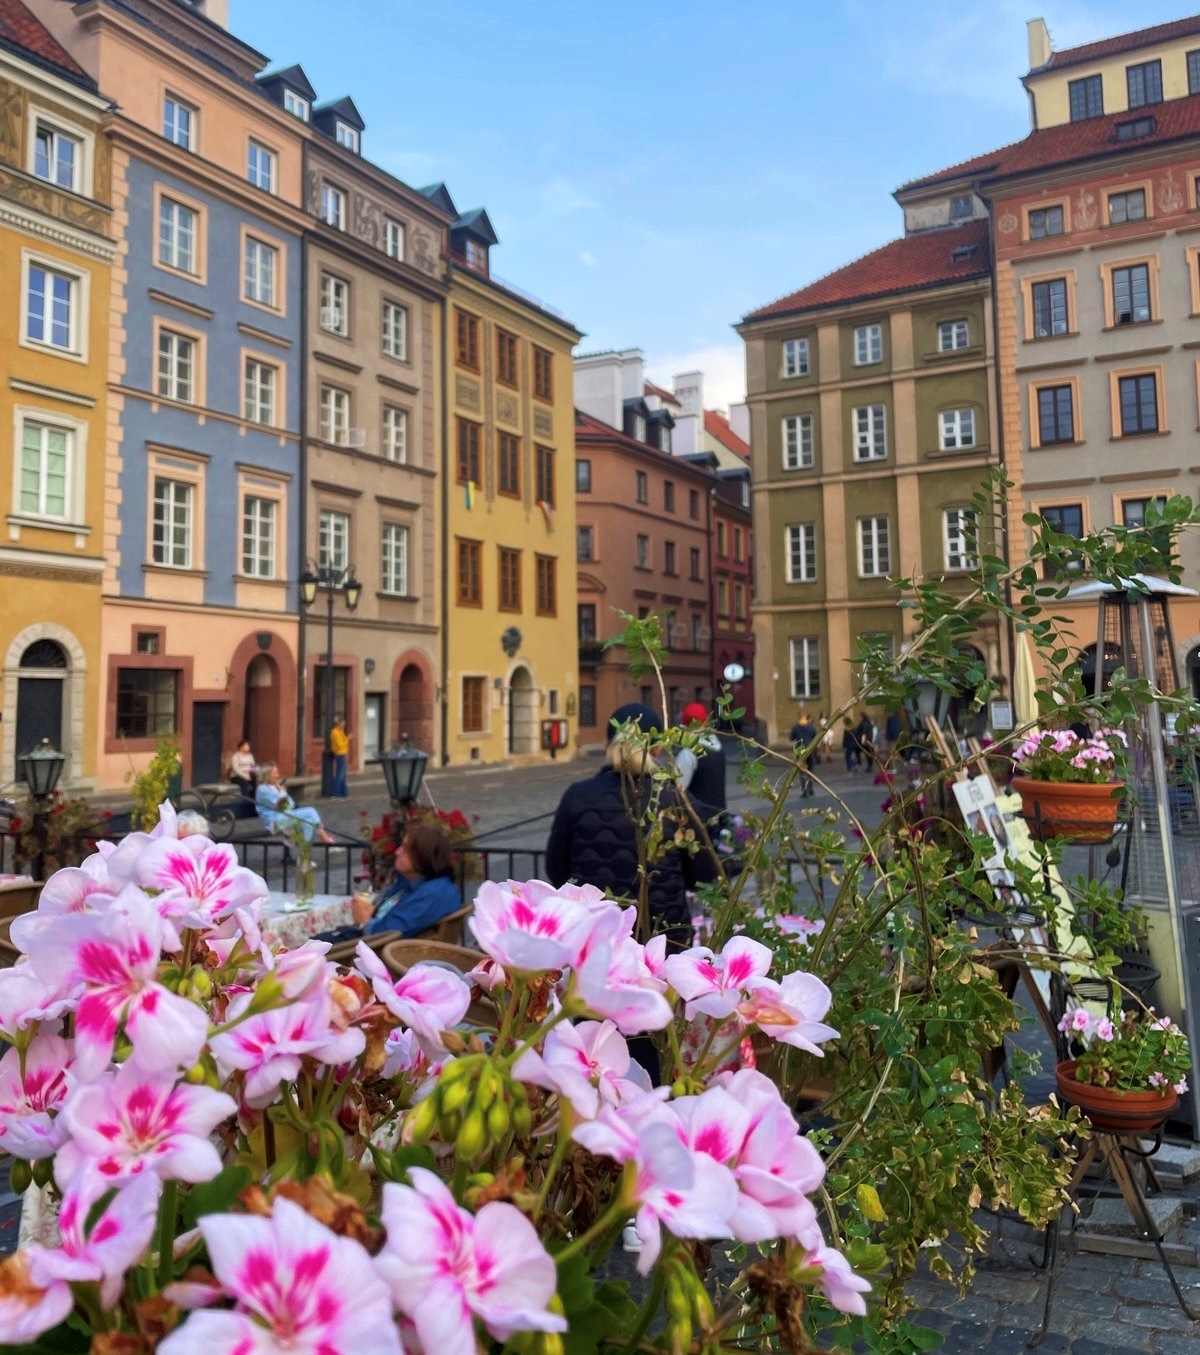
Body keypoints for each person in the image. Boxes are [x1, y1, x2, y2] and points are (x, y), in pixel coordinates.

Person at [347, 821, 460, 938]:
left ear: (424, 856)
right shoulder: (412, 881)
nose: (397, 852)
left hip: (372, 950)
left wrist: (364, 921)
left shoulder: (432, 893)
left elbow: (385, 934)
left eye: (405, 849)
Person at [255, 762, 334, 843]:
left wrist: (283, 793)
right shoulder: (262, 789)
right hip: (273, 823)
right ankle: (324, 838)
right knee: (311, 811)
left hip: (284, 817)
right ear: (267, 775)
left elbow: (291, 804)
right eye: (275, 773)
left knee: (309, 821)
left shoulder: (275, 787)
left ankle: (304, 851)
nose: (278, 775)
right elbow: (282, 806)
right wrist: (282, 792)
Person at [673, 702, 727, 820]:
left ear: (685, 725)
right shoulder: (718, 746)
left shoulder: (688, 754)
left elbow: (677, 793)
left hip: (698, 821)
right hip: (720, 816)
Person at [789, 709, 818, 797]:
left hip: (800, 750)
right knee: (810, 770)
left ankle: (804, 790)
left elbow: (791, 738)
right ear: (806, 716)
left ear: (799, 717)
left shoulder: (795, 727)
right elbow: (815, 736)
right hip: (809, 749)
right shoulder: (811, 726)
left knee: (801, 771)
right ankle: (811, 788)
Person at [329, 718, 351, 799]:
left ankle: (343, 792)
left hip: (342, 754)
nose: (343, 726)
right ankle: (336, 793)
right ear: (338, 724)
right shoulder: (335, 732)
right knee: (339, 775)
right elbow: (340, 744)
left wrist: (345, 737)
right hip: (339, 754)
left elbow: (343, 741)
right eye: (342, 724)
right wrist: (348, 739)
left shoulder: (339, 732)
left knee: (342, 774)